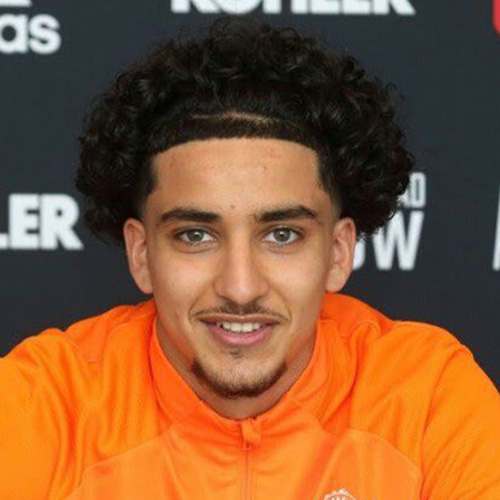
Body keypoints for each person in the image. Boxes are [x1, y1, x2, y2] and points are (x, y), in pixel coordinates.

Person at [1, 15, 499, 500]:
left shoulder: (427, 395)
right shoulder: (42, 405)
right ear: (142, 253)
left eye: (281, 235)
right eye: (196, 235)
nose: (240, 288)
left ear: (338, 253)